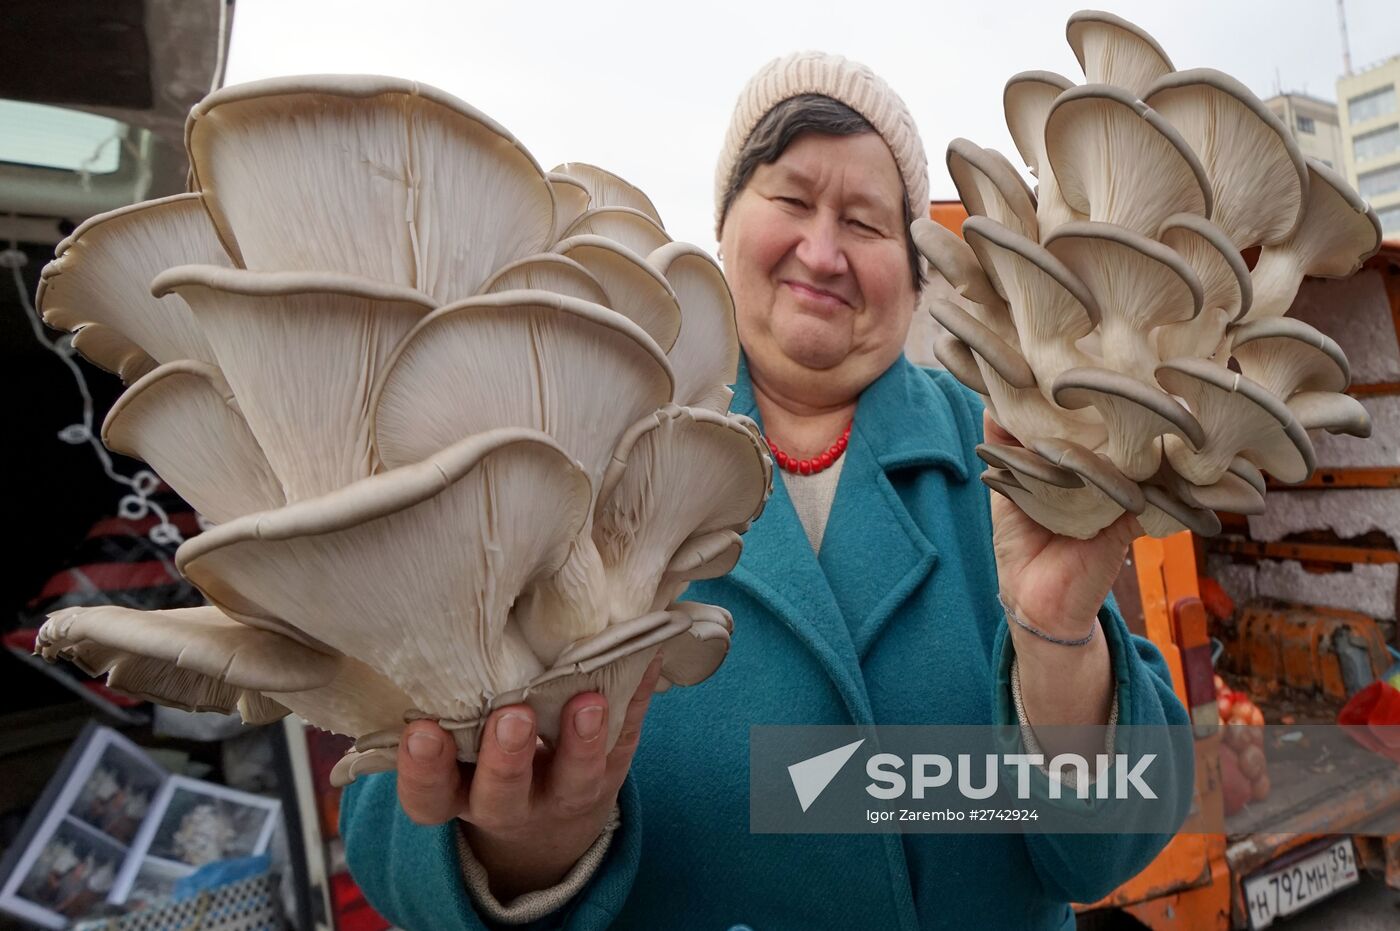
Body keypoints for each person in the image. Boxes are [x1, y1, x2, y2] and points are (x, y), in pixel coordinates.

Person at [341, 51, 1192, 930]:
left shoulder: (1006, 455)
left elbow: (1108, 845)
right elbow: (393, 817)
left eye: (865, 222)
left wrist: (1056, 639)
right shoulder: (571, 440)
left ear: (914, 265)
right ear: (723, 226)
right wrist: (525, 850)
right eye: (789, 200)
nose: (821, 253)